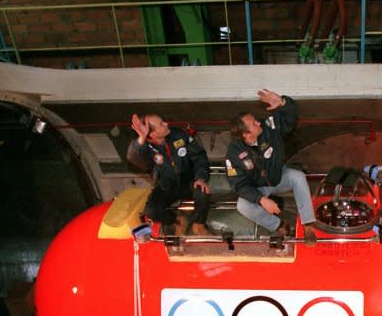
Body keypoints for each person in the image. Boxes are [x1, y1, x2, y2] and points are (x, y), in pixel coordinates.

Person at [226, 88, 317, 245]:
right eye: (254, 124)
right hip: (258, 187)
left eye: (255, 119)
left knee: (298, 176)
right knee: (243, 206)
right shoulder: (234, 154)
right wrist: (261, 199)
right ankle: (279, 226)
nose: (258, 122)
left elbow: (291, 118)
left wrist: (282, 102)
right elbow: (238, 185)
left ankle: (308, 225)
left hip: (279, 176)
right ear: (246, 135)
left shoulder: (269, 127)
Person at [127, 113, 211, 236]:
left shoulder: (178, 134)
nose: (166, 124)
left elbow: (199, 157)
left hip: (188, 181)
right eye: (161, 124)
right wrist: (142, 138)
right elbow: (133, 157)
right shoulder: (143, 147)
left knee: (202, 192)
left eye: (163, 121)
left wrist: (200, 178)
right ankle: (177, 222)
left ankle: (199, 225)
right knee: (152, 210)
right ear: (153, 134)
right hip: (166, 186)